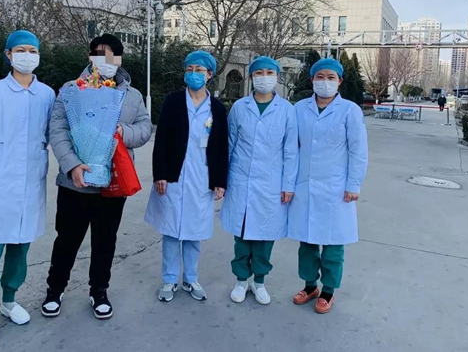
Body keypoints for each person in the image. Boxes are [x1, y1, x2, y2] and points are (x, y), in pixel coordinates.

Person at [42, 33, 152, 320]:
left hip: (113, 181)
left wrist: (124, 132)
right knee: (67, 239)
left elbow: (144, 127)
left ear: (120, 59)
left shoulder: (132, 95)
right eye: (99, 54)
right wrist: (72, 165)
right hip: (75, 182)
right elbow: (58, 130)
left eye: (111, 55)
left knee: (105, 240)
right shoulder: (71, 90)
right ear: (90, 57)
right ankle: (55, 289)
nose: (105, 60)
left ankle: (99, 290)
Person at [0, 30, 56, 340]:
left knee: (21, 243)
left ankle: (9, 300)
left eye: (33, 50)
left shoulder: (46, 94)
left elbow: (49, 133)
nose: (27, 55)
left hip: (31, 179)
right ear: (8, 55)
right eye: (21, 50)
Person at [145, 50, 229, 303]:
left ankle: (191, 278)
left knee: (194, 232)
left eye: (199, 70)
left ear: (209, 74)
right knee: (171, 232)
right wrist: (160, 174)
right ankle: (170, 279)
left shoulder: (217, 108)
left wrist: (220, 181)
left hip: (202, 177)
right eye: (190, 69)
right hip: (174, 175)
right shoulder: (173, 101)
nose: (194, 74)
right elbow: (161, 140)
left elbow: (221, 147)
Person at [288, 58, 368, 314]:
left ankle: (329, 290)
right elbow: (291, 149)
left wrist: (353, 184)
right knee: (307, 242)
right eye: (320, 77)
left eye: (331, 77)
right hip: (305, 185)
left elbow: (358, 151)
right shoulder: (299, 109)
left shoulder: (350, 110)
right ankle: (310, 286)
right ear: (312, 79)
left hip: (336, 188)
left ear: (340, 81)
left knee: (333, 244)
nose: (325, 81)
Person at [219, 56, 298, 305]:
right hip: (241, 179)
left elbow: (291, 151)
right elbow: (229, 143)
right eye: (259, 73)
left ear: (277, 76)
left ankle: (259, 281)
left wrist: (288, 185)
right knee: (242, 236)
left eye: (269, 73)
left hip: (271, 183)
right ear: (251, 77)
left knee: (264, 237)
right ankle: (241, 280)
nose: (264, 77)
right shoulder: (239, 107)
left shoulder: (287, 110)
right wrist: (222, 178)